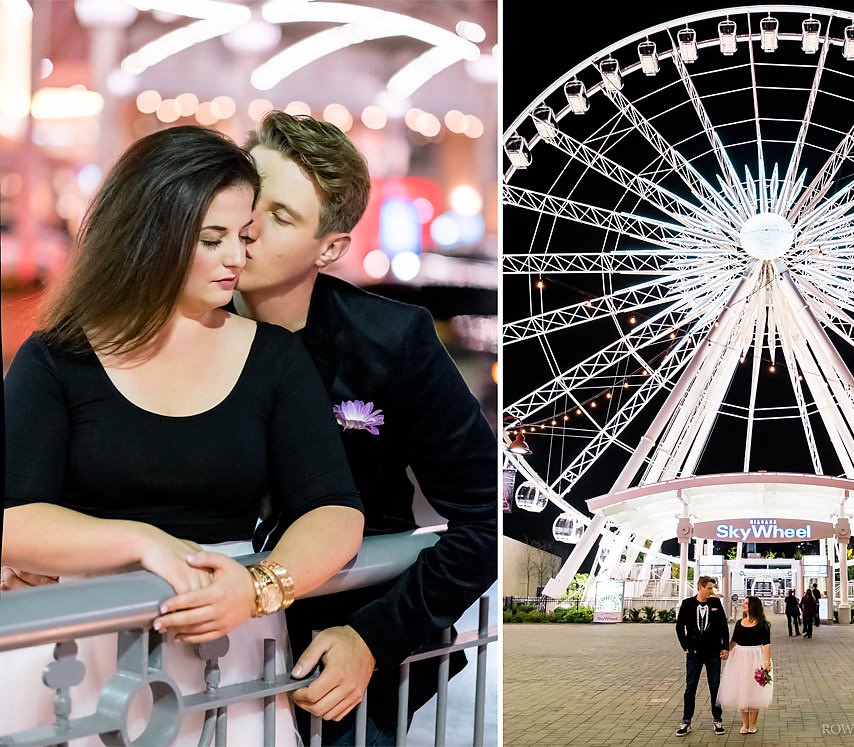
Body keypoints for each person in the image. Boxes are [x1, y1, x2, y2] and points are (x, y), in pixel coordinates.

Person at [1, 125, 364, 745]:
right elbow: (14, 517)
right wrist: (143, 542)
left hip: (231, 656)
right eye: (212, 239)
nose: (237, 258)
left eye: (244, 237)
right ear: (151, 236)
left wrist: (257, 588)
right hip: (75, 654)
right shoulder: (57, 356)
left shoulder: (272, 358)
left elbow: (334, 511)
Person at [234, 111, 497, 745]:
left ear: (329, 249)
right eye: (248, 198)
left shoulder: (389, 342)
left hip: (333, 669)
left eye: (281, 216)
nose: (247, 226)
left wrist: (372, 637)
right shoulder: (178, 326)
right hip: (191, 654)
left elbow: (489, 517)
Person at [674, 576, 729, 737]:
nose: (712, 591)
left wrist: (725, 647)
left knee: (715, 686)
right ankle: (686, 720)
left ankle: (717, 719)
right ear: (700, 587)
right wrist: (685, 646)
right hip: (694, 653)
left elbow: (723, 627)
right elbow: (679, 627)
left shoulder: (715, 604)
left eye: (712, 588)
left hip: (713, 652)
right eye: (710, 588)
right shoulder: (687, 604)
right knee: (690, 686)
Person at [717, 596, 773, 735]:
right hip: (739, 658)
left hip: (756, 657)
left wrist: (767, 663)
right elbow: (734, 641)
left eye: (747, 603)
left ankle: (753, 724)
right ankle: (745, 724)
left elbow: (766, 644)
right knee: (742, 689)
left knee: (754, 691)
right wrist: (726, 651)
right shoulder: (739, 623)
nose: (744, 604)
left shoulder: (763, 624)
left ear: (754, 606)